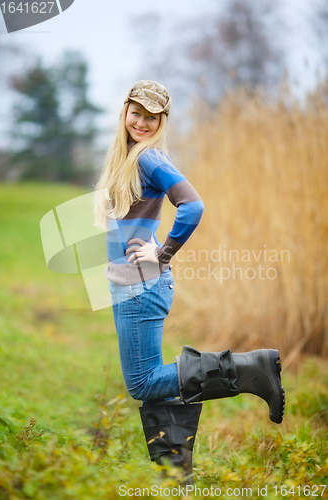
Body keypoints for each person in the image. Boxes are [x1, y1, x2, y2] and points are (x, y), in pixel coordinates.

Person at [94, 80, 285, 484]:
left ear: (162, 121)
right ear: (125, 110)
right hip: (129, 283)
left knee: (143, 382)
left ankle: (252, 369)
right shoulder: (125, 157)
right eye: (137, 113)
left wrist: (161, 254)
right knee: (152, 382)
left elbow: (193, 205)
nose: (142, 122)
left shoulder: (149, 158)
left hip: (142, 285)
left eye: (152, 117)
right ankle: (175, 471)